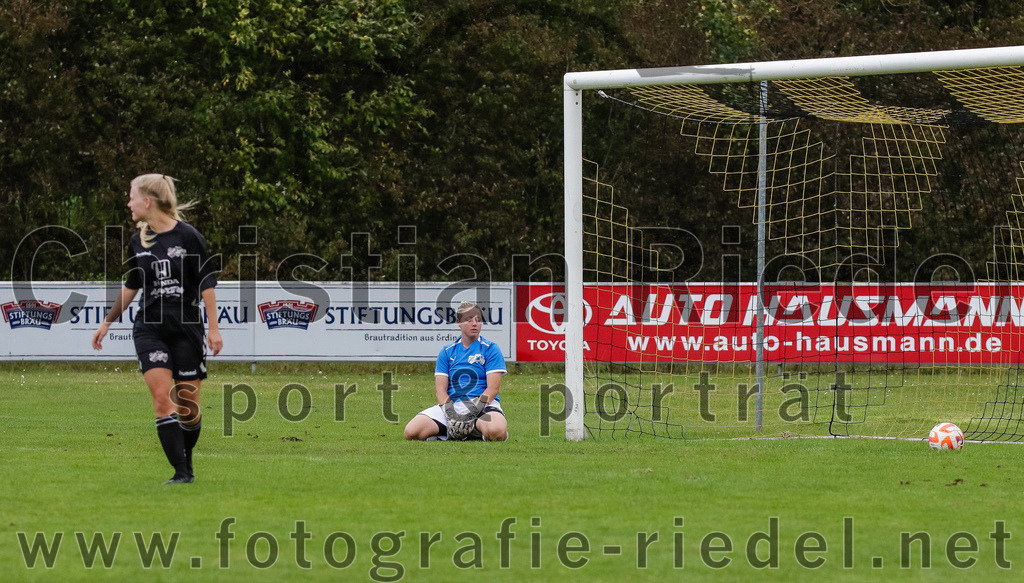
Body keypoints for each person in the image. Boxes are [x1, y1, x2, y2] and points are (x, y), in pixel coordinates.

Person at [92, 174, 222, 484]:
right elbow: (133, 283)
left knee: (188, 407)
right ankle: (181, 473)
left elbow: (206, 282)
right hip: (149, 329)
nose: (129, 203)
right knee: (163, 399)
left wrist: (214, 328)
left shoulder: (189, 237)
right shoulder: (138, 240)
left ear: (147, 201)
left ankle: (186, 461)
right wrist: (108, 321)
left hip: (186, 329)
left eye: (132, 197)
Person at [404, 301, 508, 441]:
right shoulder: (447, 351)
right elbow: (441, 390)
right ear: (459, 322)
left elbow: (493, 388)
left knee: (496, 431)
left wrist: (472, 412)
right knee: (412, 432)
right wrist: (451, 414)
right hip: (452, 406)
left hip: (483, 405)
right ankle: (456, 430)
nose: (475, 324)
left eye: (478, 319)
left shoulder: (491, 349)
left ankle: (473, 430)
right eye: (469, 320)